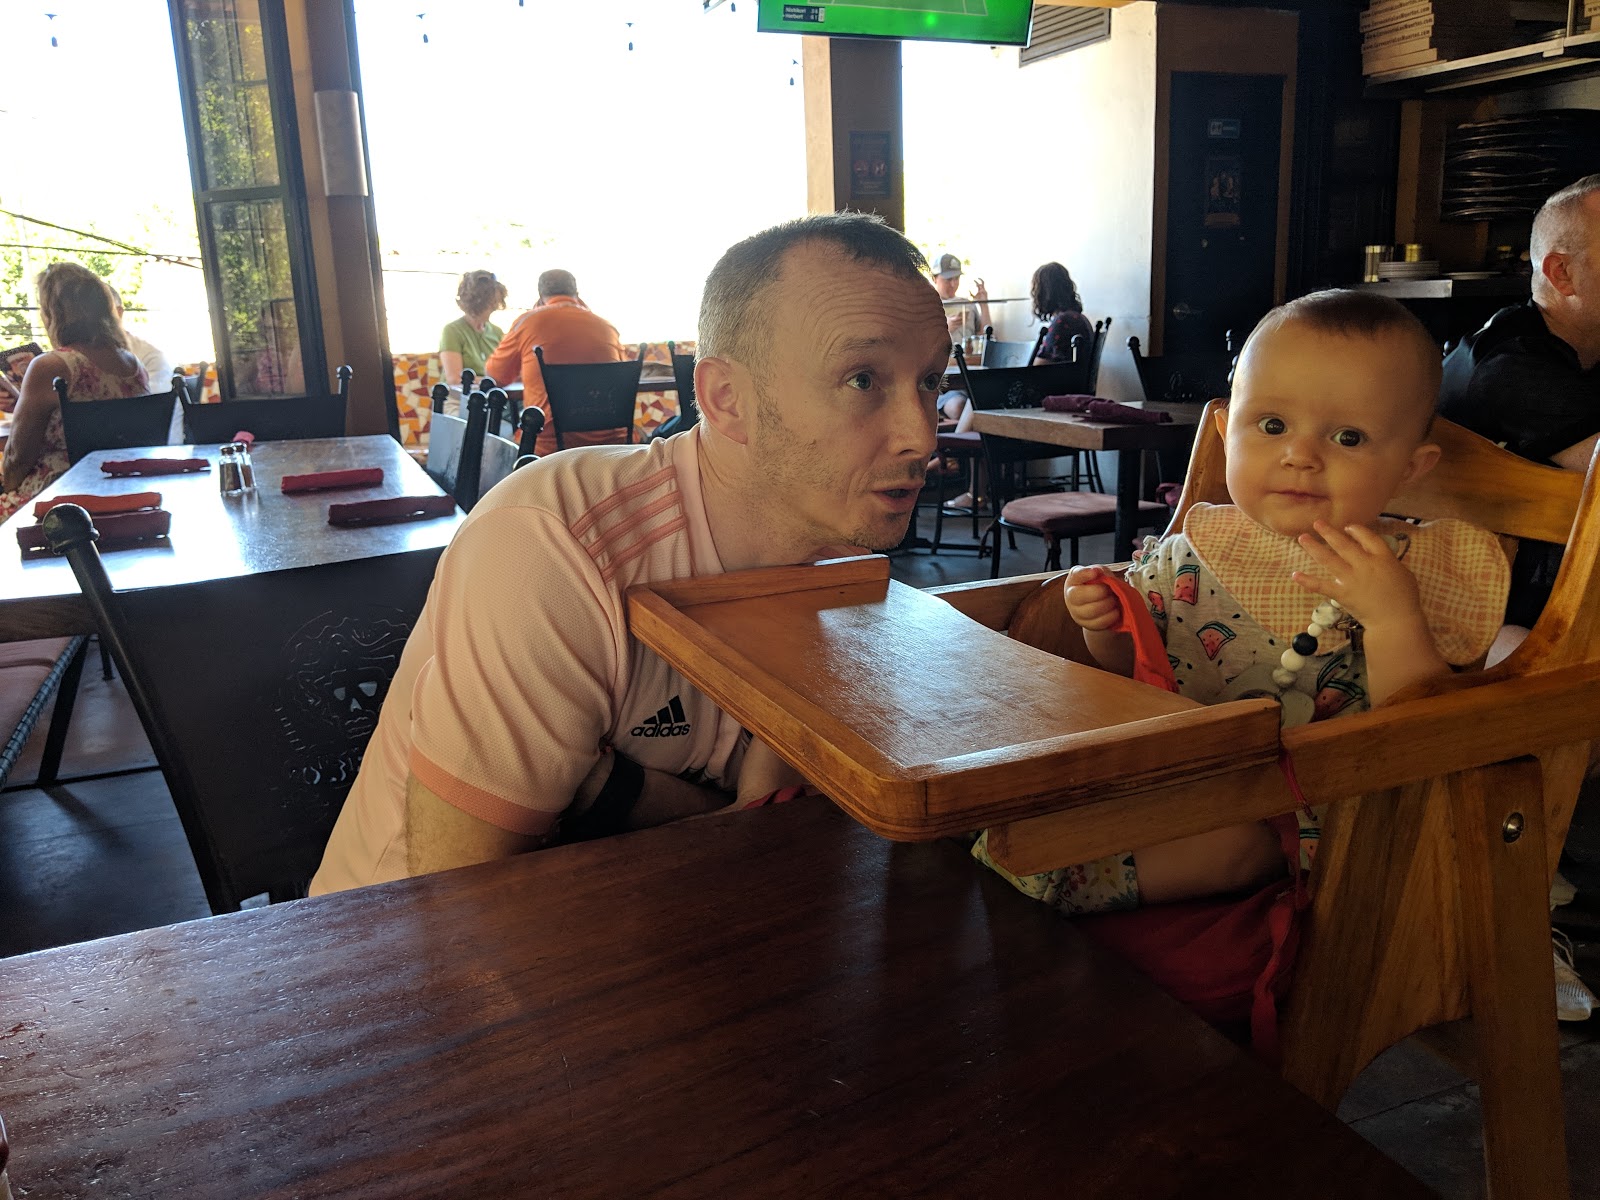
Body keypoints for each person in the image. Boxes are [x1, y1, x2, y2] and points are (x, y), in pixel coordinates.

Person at [310, 213, 949, 894]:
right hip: (390, 944)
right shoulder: (553, 545)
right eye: (862, 380)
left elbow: (776, 826)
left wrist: (611, 788)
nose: (923, 435)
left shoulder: (844, 563)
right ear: (727, 399)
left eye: (931, 380)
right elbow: (464, 911)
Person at [973, 290, 1508, 919]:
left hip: (1306, 821)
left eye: (1348, 437)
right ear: (1228, 434)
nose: (1301, 456)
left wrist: (1394, 619)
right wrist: (1107, 626)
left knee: (1233, 846)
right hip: (1173, 778)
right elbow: (1133, 675)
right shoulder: (1198, 547)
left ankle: (1046, 890)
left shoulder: (1414, 572)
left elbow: (1419, 733)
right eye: (1273, 426)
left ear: (1412, 467)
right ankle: (1013, 858)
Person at [1438, 174, 1600, 1021]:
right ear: (1562, 274)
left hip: (1538, 607)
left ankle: (1543, 866)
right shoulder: (1511, 365)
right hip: (1458, 618)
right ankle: (1518, 900)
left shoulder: (1576, 355)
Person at [1, 263, 149, 521]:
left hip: (58, 503)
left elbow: (17, 460)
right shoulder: (134, 365)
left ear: (52, 313)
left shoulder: (51, 367)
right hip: (123, 497)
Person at [482, 268, 626, 456]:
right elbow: (621, 379)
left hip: (547, 447)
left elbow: (495, 376)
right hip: (613, 444)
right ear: (577, 294)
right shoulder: (607, 327)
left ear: (540, 297)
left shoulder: (528, 322)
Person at [438, 269, 507, 386]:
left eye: (496, 302)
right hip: (460, 395)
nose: (495, 307)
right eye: (492, 303)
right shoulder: (452, 331)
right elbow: (454, 379)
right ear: (478, 302)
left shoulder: (497, 332)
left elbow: (506, 371)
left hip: (491, 393)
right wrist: (494, 381)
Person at [1030, 262, 1094, 365]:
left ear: (1044, 292)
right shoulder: (1078, 318)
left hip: (1061, 376)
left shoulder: (1062, 321)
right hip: (1075, 375)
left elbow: (1038, 368)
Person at [932, 252, 991, 348]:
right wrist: (944, 329)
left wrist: (983, 304)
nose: (953, 284)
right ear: (934, 278)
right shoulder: (926, 306)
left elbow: (985, 339)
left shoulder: (968, 305)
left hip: (968, 357)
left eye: (956, 278)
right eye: (948, 279)